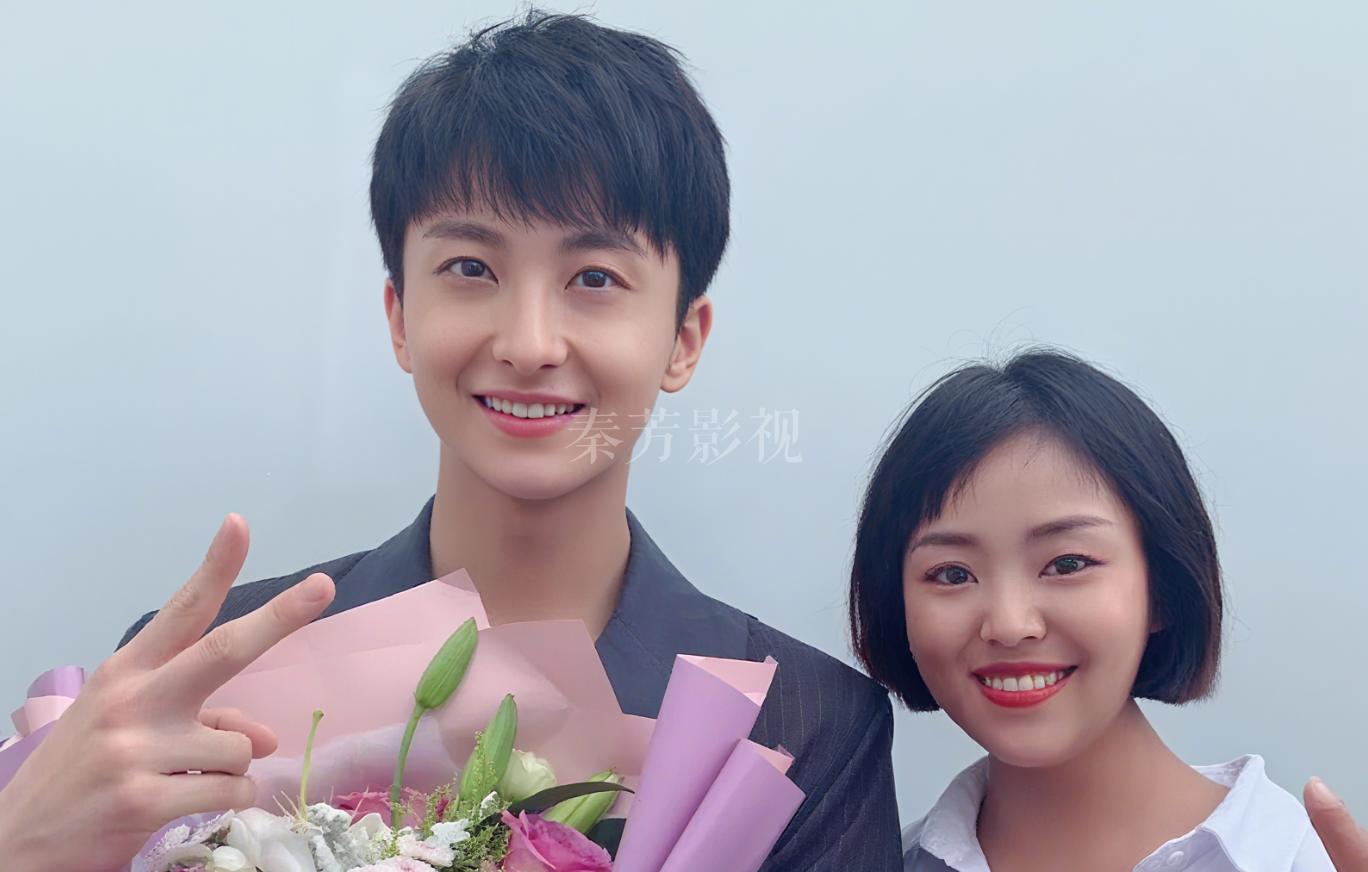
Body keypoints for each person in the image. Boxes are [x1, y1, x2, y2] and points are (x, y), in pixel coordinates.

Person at [0, 10, 899, 872]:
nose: (530, 343)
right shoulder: (202, 676)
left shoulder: (807, 727)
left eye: (594, 277)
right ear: (400, 316)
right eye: (471, 268)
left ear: (683, 340)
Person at [849, 349, 1334, 872]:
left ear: (1163, 588)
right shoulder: (878, 863)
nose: (1010, 625)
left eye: (1067, 564)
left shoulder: (1292, 858)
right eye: (952, 574)